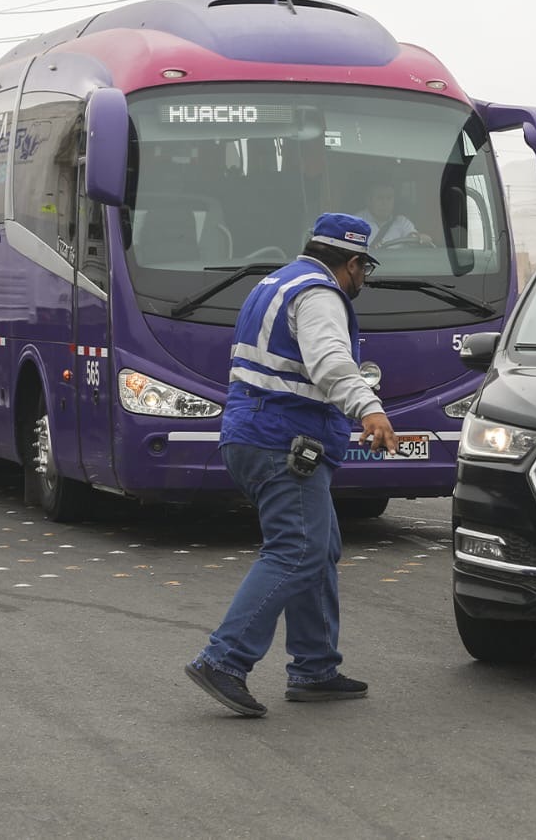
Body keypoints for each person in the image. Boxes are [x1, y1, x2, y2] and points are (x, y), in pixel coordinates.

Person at [185, 213, 400, 717]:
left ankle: (316, 667)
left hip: (254, 433)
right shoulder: (322, 294)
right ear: (351, 263)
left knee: (318, 546)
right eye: (363, 270)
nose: (361, 282)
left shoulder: (274, 282)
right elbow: (329, 361)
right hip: (283, 440)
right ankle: (224, 660)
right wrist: (368, 407)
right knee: (297, 548)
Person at [355, 180, 430, 248]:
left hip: (400, 262)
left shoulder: (401, 221)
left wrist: (420, 238)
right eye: (380, 198)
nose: (385, 203)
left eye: (389, 198)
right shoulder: (356, 222)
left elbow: (413, 237)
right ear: (369, 201)